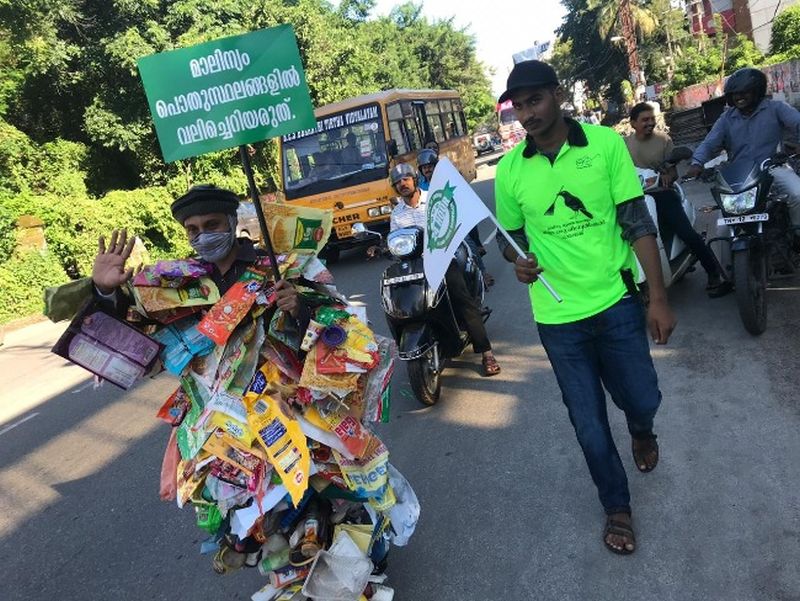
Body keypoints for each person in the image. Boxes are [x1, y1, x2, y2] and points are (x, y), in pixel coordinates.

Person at [494, 60, 676, 555]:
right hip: (557, 319)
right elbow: (509, 239)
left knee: (642, 397)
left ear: (556, 96)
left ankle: (642, 429)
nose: (527, 113)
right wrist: (519, 260)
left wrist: (657, 298)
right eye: (518, 105)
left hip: (616, 302)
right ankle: (616, 506)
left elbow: (637, 223)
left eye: (535, 100)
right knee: (588, 421)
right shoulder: (510, 169)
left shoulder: (603, 145)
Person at [92, 184, 304, 321]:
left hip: (272, 387)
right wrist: (105, 290)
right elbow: (138, 324)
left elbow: (329, 328)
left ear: (232, 222)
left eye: (212, 225)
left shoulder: (277, 267)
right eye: (193, 229)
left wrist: (298, 309)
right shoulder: (178, 279)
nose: (202, 236)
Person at [381, 162, 501, 376]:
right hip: (415, 265)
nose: (403, 184)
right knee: (397, 298)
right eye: (398, 182)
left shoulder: (434, 200)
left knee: (463, 301)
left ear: (414, 179)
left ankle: (487, 354)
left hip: (443, 258)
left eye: (406, 179)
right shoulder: (397, 214)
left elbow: (450, 224)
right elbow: (396, 240)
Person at [625, 102, 732, 297]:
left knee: (687, 233)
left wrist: (668, 175)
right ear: (633, 123)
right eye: (644, 120)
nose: (649, 123)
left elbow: (673, 171)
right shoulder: (623, 144)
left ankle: (713, 272)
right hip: (635, 197)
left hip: (661, 193)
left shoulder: (663, 140)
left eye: (651, 119)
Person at [686, 67, 800, 238]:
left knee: (797, 194)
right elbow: (709, 143)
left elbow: (798, 123)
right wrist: (697, 163)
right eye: (734, 94)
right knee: (723, 228)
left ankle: (797, 236)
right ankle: (725, 265)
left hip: (773, 168)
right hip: (739, 177)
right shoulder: (727, 118)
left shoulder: (776, 108)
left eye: (744, 92)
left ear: (756, 92)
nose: (738, 97)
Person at [417, 148, 495, 287]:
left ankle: (482, 272)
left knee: (468, 243)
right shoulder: (420, 186)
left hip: (453, 220)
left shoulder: (448, 177)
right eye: (424, 168)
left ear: (436, 166)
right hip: (434, 225)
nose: (427, 170)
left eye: (430, 166)